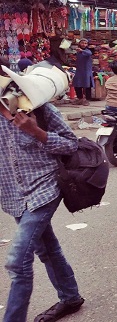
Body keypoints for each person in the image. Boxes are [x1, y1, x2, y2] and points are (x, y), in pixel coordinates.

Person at [1, 99, 85, 321]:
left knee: (17, 261)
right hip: (12, 195)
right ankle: (70, 297)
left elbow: (71, 144)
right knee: (46, 248)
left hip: (44, 188)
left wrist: (36, 131)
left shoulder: (36, 105)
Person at [72, 38, 93, 106]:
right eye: (82, 43)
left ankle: (87, 100)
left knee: (87, 86)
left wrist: (81, 51)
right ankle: (80, 98)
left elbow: (89, 53)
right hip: (79, 70)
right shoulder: (78, 51)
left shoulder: (87, 51)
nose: (83, 44)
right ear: (79, 44)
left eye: (85, 43)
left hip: (86, 71)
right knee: (77, 85)